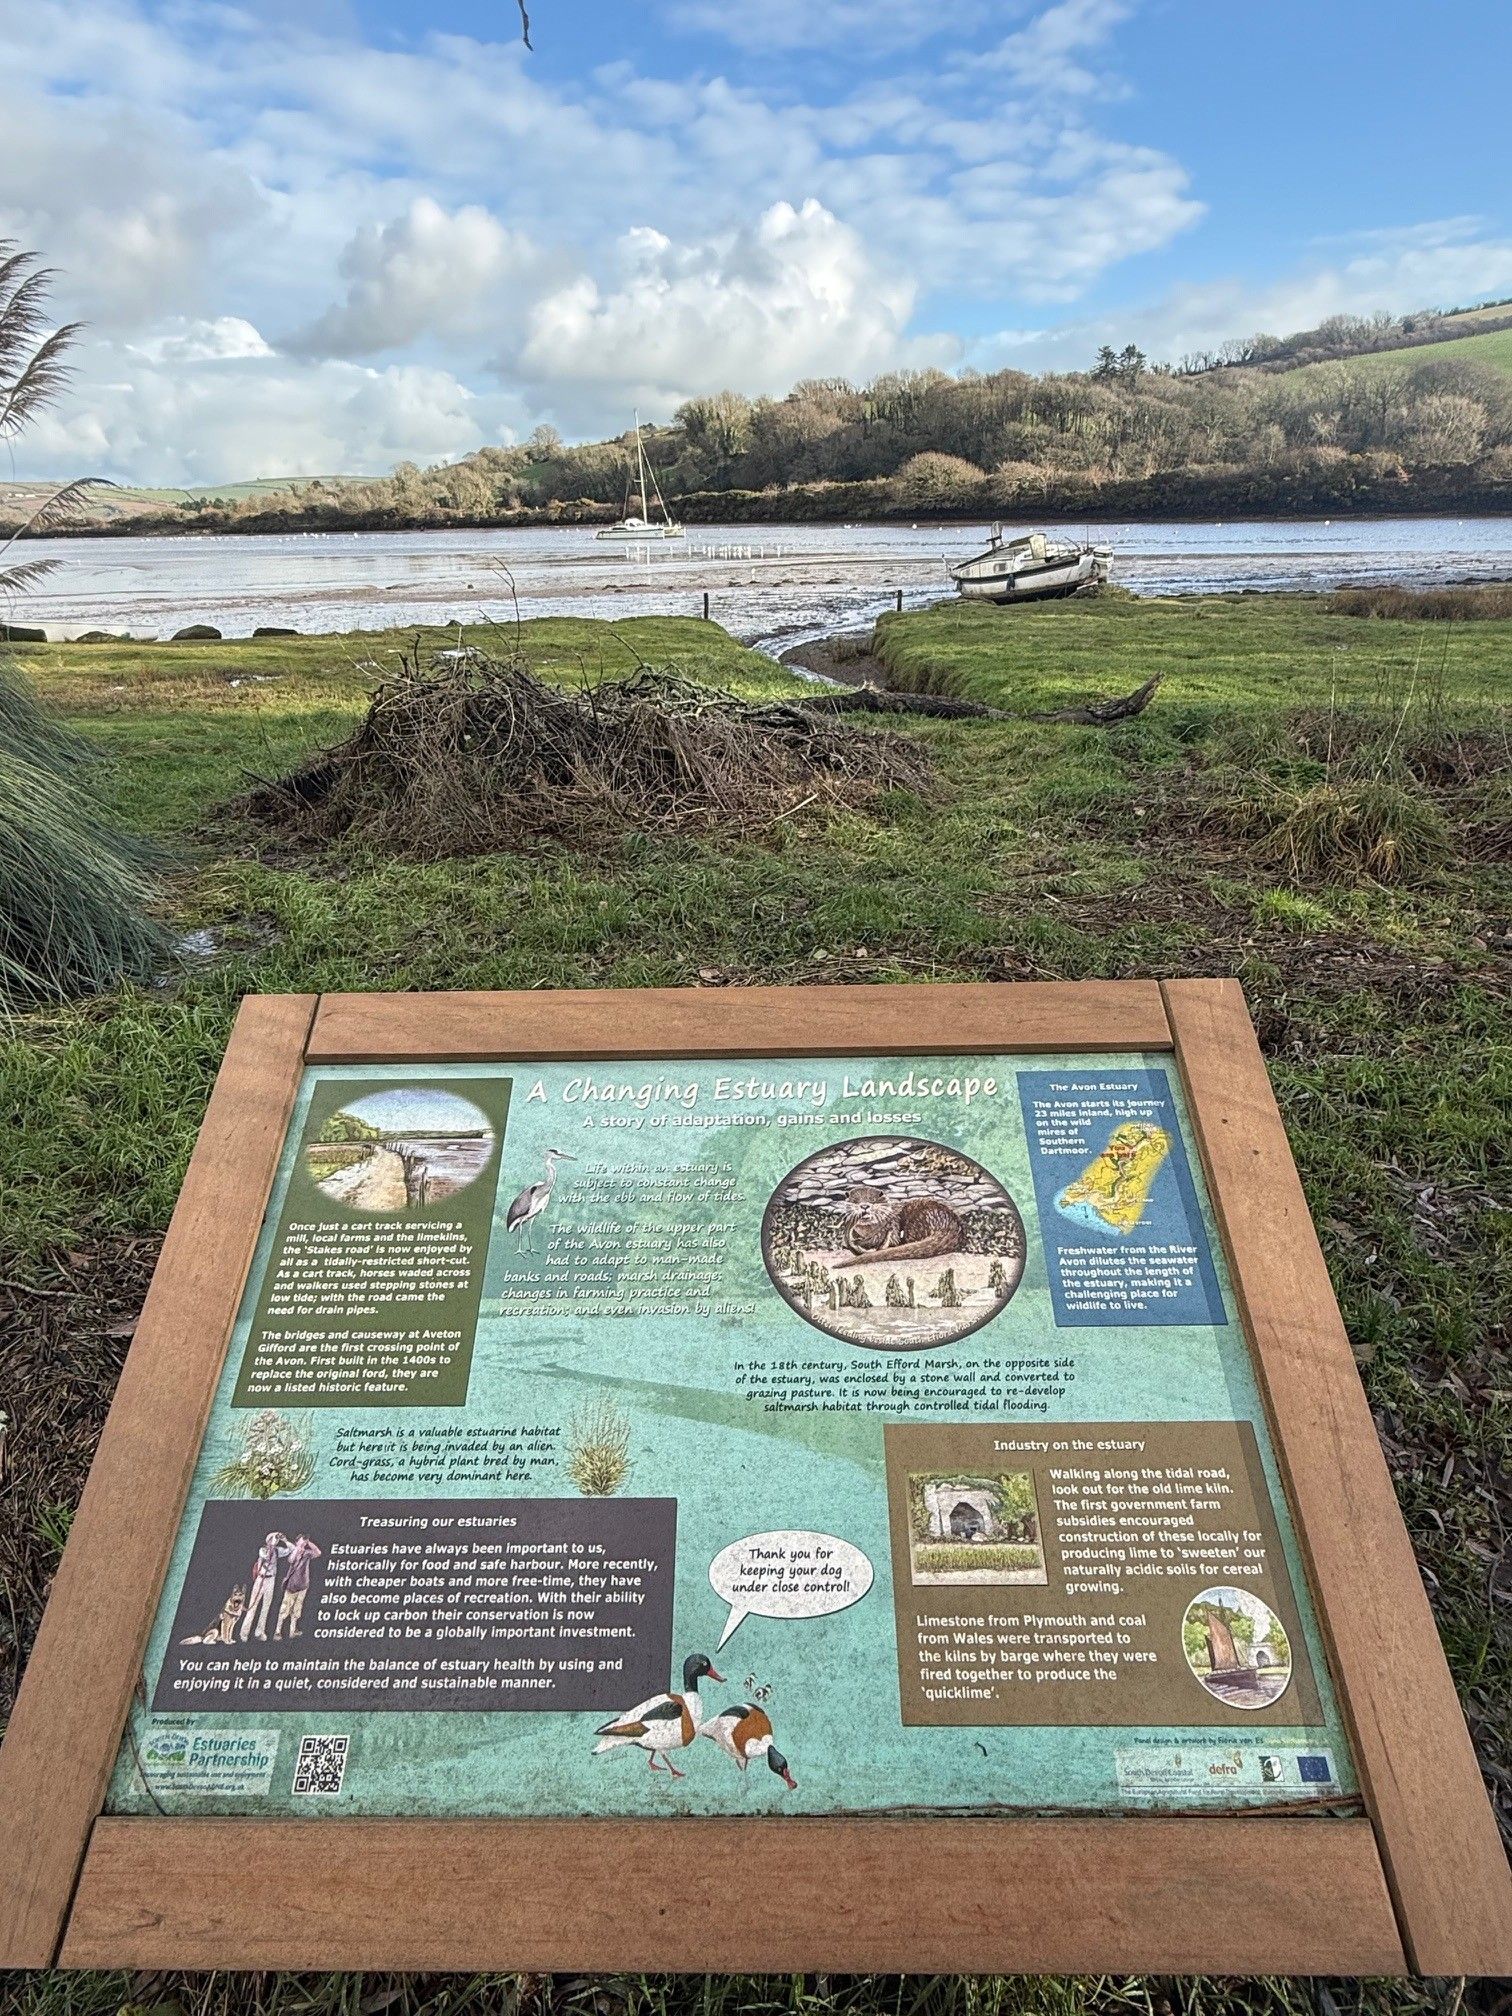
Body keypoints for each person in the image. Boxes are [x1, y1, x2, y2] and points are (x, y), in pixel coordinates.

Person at [240, 1531, 289, 1641]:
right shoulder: (263, 1549)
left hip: (271, 1579)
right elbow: (265, 1555)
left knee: (266, 1607)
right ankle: (244, 1633)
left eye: (277, 1539)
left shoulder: (277, 1551)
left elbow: (290, 1550)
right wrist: (271, 1544)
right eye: (273, 1538)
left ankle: (260, 1631)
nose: (275, 1540)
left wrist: (285, 1540)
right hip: (261, 1578)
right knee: (253, 1606)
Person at [274, 1532, 323, 1639]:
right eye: (300, 1543)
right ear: (296, 1543)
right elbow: (290, 1559)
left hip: (302, 1585)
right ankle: (278, 1631)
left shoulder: (307, 1553)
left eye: (303, 1544)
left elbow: (318, 1552)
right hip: (291, 1586)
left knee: (297, 1609)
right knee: (285, 1608)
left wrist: (308, 1543)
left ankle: (292, 1631)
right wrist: (297, 1549)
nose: (302, 1547)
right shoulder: (294, 1552)